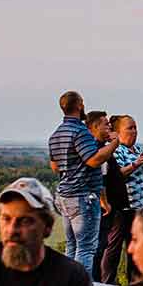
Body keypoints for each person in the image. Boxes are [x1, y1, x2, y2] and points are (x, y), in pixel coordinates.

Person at [49, 90, 119, 272]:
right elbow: (93, 160)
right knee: (86, 248)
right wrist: (114, 144)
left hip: (64, 195)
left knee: (72, 246)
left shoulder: (56, 134)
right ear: (79, 105)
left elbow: (55, 167)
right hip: (82, 196)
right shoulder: (81, 132)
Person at [99, 114, 143, 284]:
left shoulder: (137, 149)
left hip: (141, 205)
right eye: (130, 128)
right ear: (117, 131)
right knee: (114, 246)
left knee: (136, 245)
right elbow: (116, 175)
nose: (134, 131)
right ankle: (107, 283)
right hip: (122, 205)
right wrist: (135, 164)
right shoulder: (115, 150)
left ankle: (135, 282)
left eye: (135, 127)